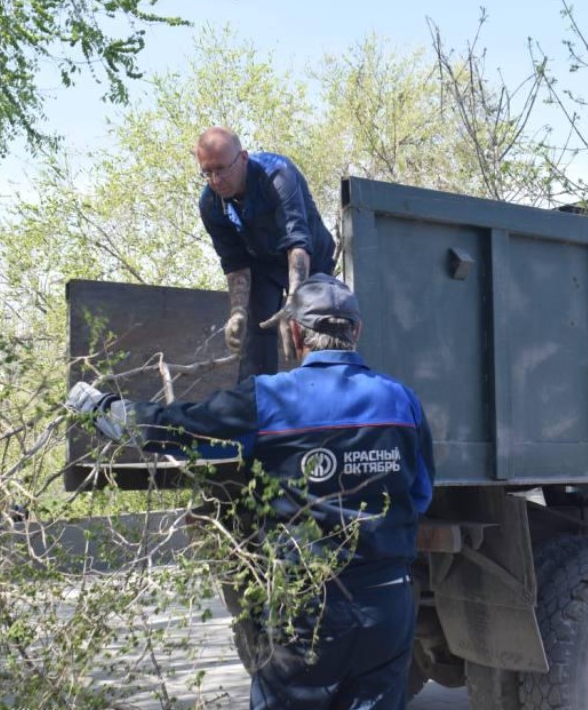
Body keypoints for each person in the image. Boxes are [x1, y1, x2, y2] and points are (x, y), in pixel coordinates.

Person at [67, 274, 435, 710]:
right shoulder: (401, 401)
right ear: (356, 332)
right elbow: (419, 495)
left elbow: (172, 428)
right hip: (388, 604)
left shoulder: (268, 399)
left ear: (295, 333)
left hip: (305, 609)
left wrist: (100, 409)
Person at [195, 127, 337, 380]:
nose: (216, 180)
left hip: (311, 259)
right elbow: (234, 262)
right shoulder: (210, 204)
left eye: (222, 170)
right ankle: (253, 404)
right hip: (263, 264)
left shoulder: (278, 175)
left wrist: (295, 298)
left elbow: (297, 242)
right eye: (207, 173)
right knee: (256, 329)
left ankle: (325, 392)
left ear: (243, 158)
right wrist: (237, 311)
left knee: (318, 325)